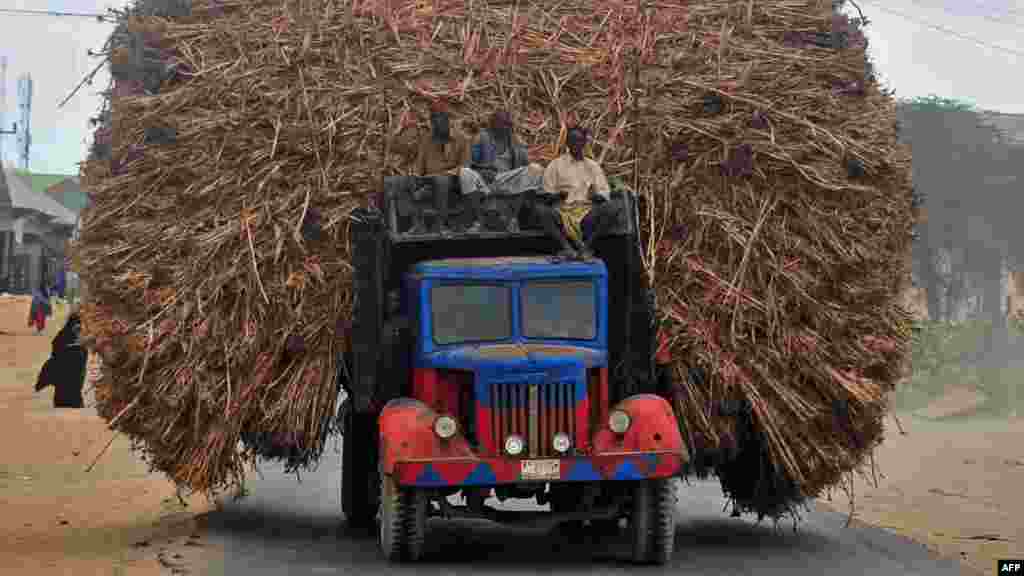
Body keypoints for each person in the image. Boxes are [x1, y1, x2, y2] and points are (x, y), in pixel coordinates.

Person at [535, 126, 619, 258]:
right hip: (563, 212)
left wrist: (595, 196)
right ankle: (566, 247)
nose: (576, 144)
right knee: (540, 210)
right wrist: (557, 196)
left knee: (612, 207)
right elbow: (546, 195)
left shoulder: (592, 166)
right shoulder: (556, 165)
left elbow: (604, 194)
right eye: (573, 141)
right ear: (567, 143)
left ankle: (586, 247)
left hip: (586, 214)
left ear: (584, 143)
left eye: (579, 141)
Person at [460, 111, 545, 232]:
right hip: (486, 181)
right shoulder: (481, 137)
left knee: (535, 169)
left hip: (506, 180)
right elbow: (468, 163)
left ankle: (513, 220)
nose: (506, 127)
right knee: (465, 173)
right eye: (503, 123)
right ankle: (478, 221)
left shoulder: (513, 141)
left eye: (508, 124)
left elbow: (526, 165)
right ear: (493, 123)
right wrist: (482, 170)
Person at [409, 100, 473, 234]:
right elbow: (419, 165)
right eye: (435, 119)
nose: (438, 123)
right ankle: (417, 224)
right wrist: (414, 176)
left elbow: (465, 166)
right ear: (432, 122)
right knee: (404, 182)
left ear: (447, 120)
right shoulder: (426, 140)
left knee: (442, 180)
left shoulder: (461, 140)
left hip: (454, 181)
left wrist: (447, 174)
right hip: (429, 179)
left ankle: (440, 223)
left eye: (441, 119)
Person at [35, 304, 88, 408]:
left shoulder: (77, 337)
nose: (78, 328)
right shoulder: (64, 336)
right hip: (66, 381)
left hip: (72, 382)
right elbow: (56, 351)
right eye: (76, 325)